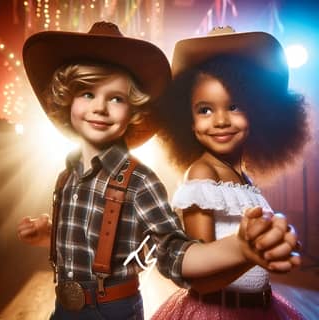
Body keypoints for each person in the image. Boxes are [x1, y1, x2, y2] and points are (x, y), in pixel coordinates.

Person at [17, 22, 301, 320]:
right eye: (87, 94)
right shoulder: (67, 177)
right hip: (63, 309)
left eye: (116, 98)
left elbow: (173, 252)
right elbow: (89, 238)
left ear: (134, 111)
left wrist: (243, 249)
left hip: (114, 309)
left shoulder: (140, 181)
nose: (100, 108)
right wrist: (51, 234)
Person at [151, 27, 308, 319]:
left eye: (233, 106)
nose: (221, 120)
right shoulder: (202, 174)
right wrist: (249, 255)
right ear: (186, 119)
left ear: (259, 112)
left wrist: (274, 244)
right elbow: (200, 279)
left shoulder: (245, 180)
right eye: (205, 110)